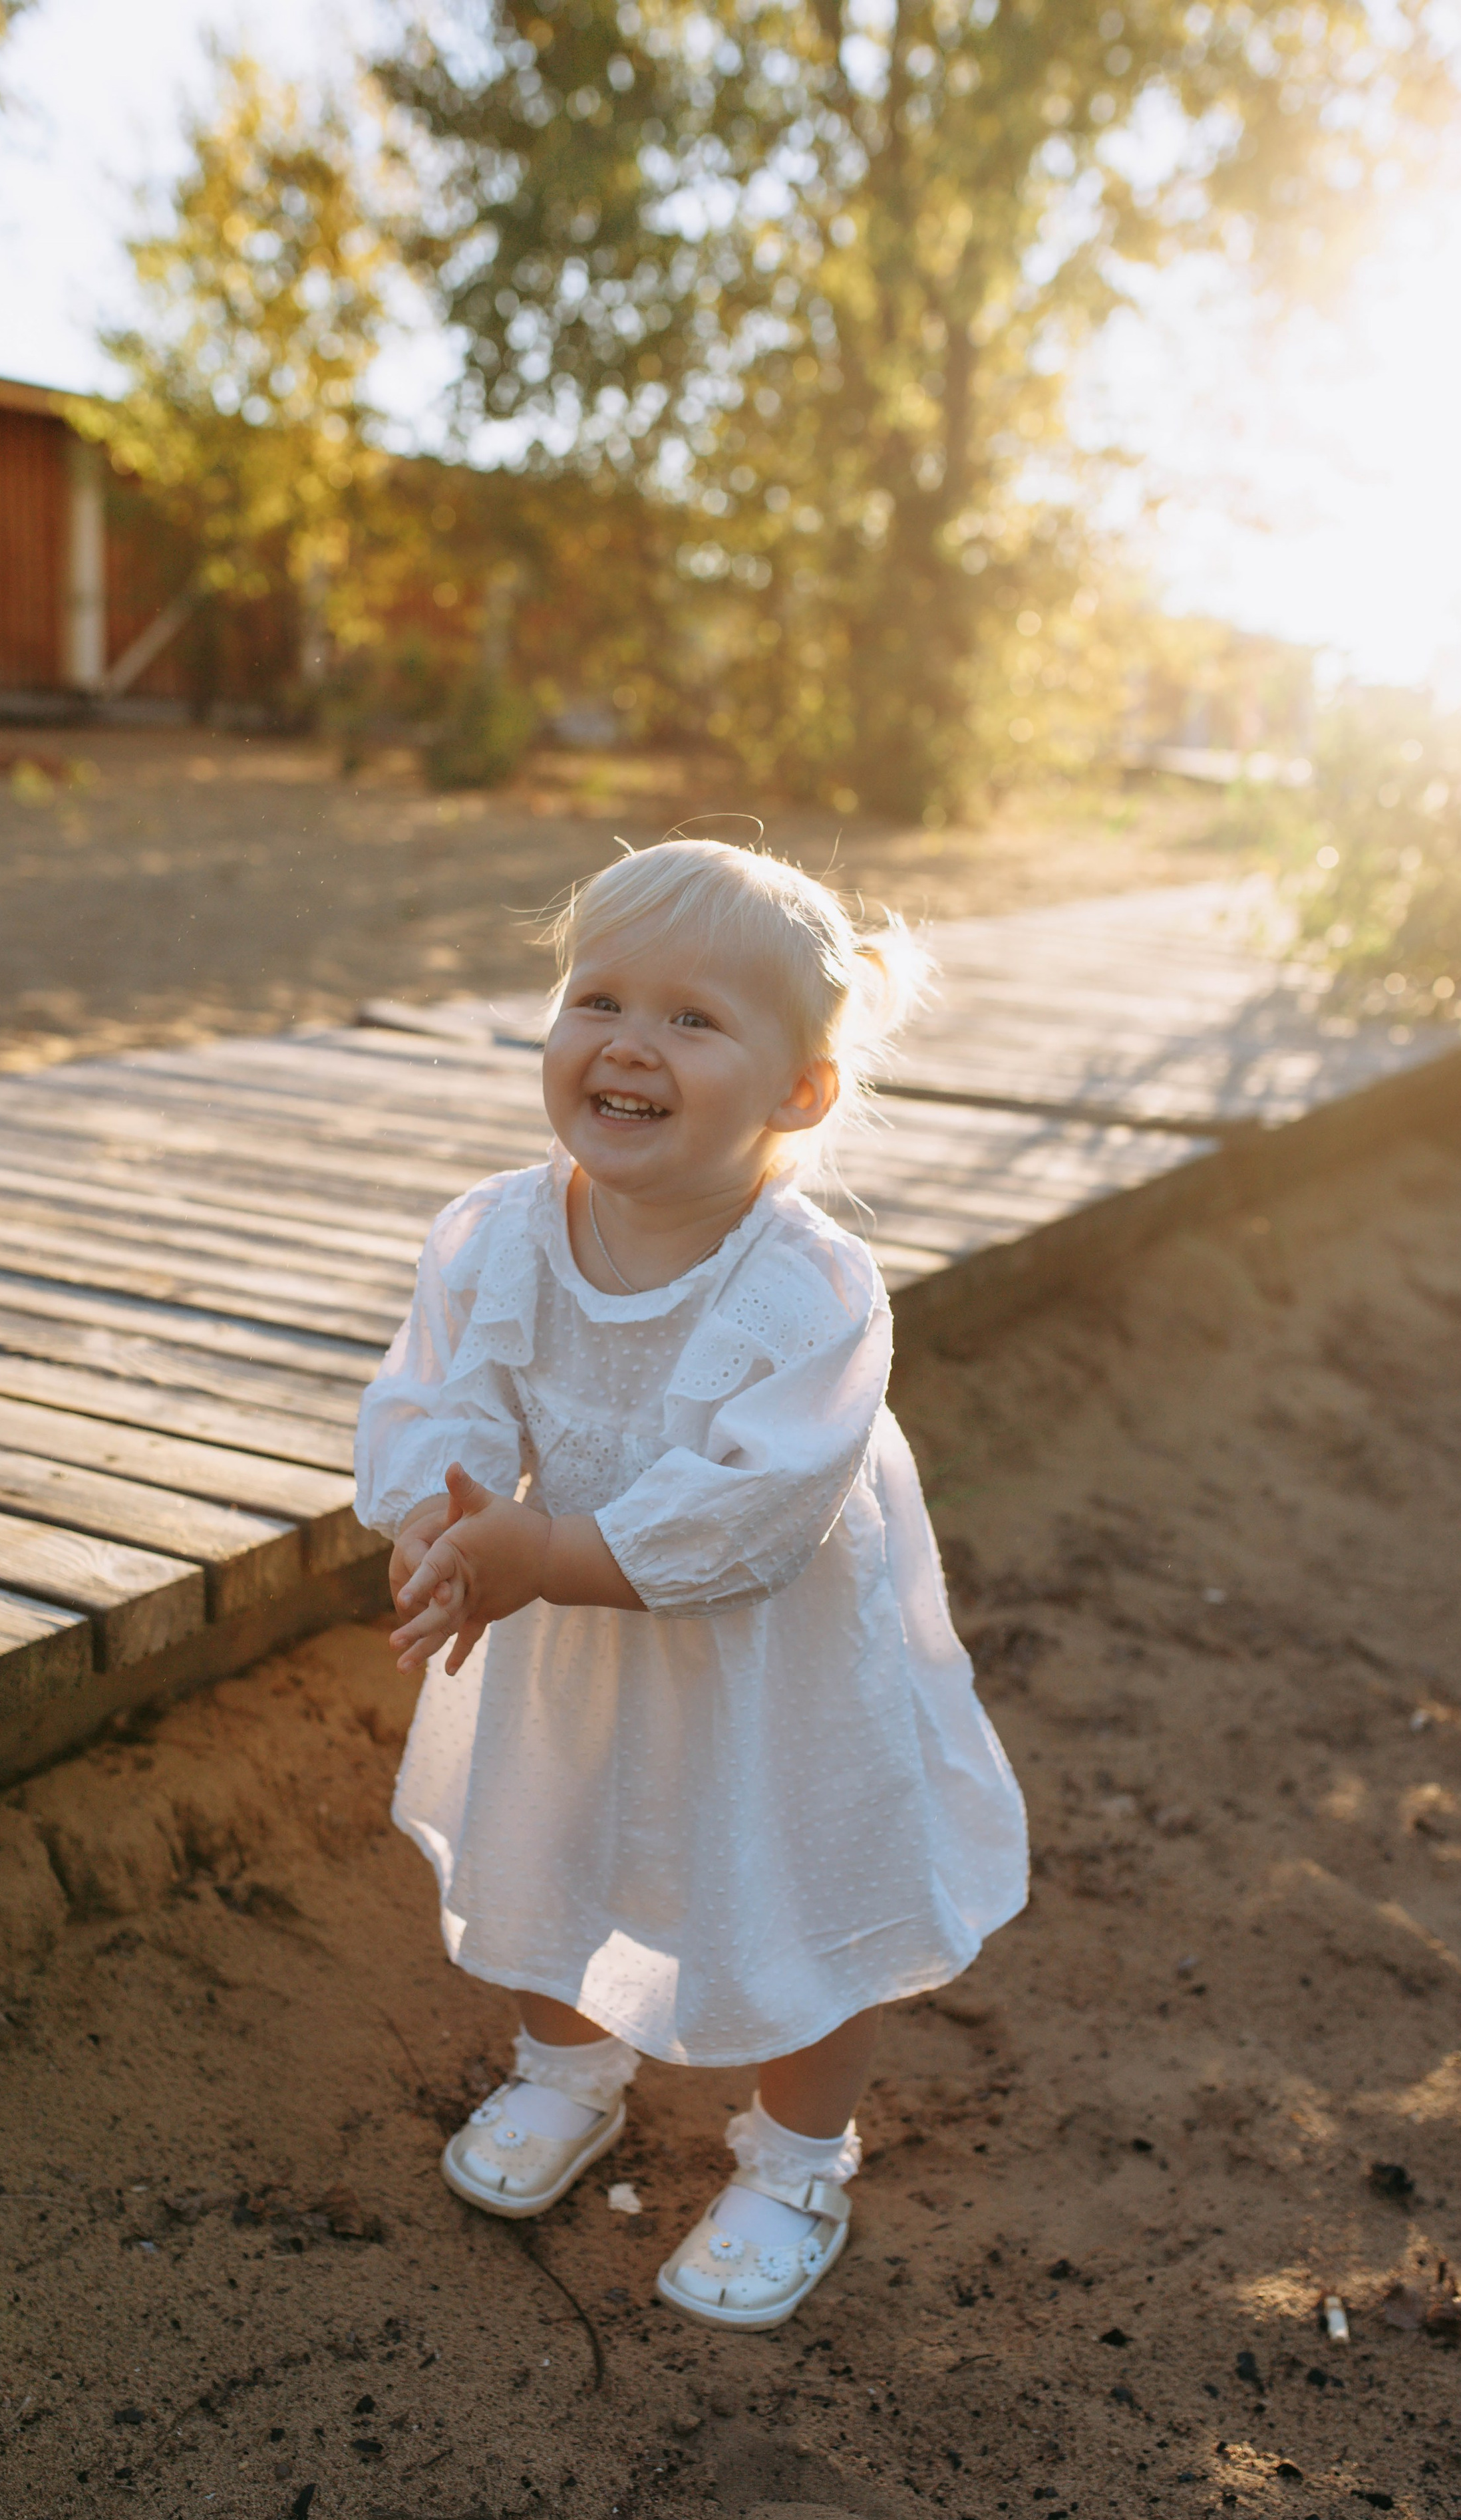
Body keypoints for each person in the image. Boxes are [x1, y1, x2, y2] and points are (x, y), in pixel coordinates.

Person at [354, 839, 1027, 2331]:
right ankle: (567, 2067)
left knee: (804, 1877)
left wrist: (549, 1555)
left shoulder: (809, 1290)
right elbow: (442, 1396)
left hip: (773, 1658)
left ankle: (796, 2157)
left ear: (800, 1094)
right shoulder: (498, 1233)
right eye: (595, 998)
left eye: (691, 1019)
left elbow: (756, 1507)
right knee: (554, 1831)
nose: (627, 1044)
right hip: (561, 1620)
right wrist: (441, 1524)